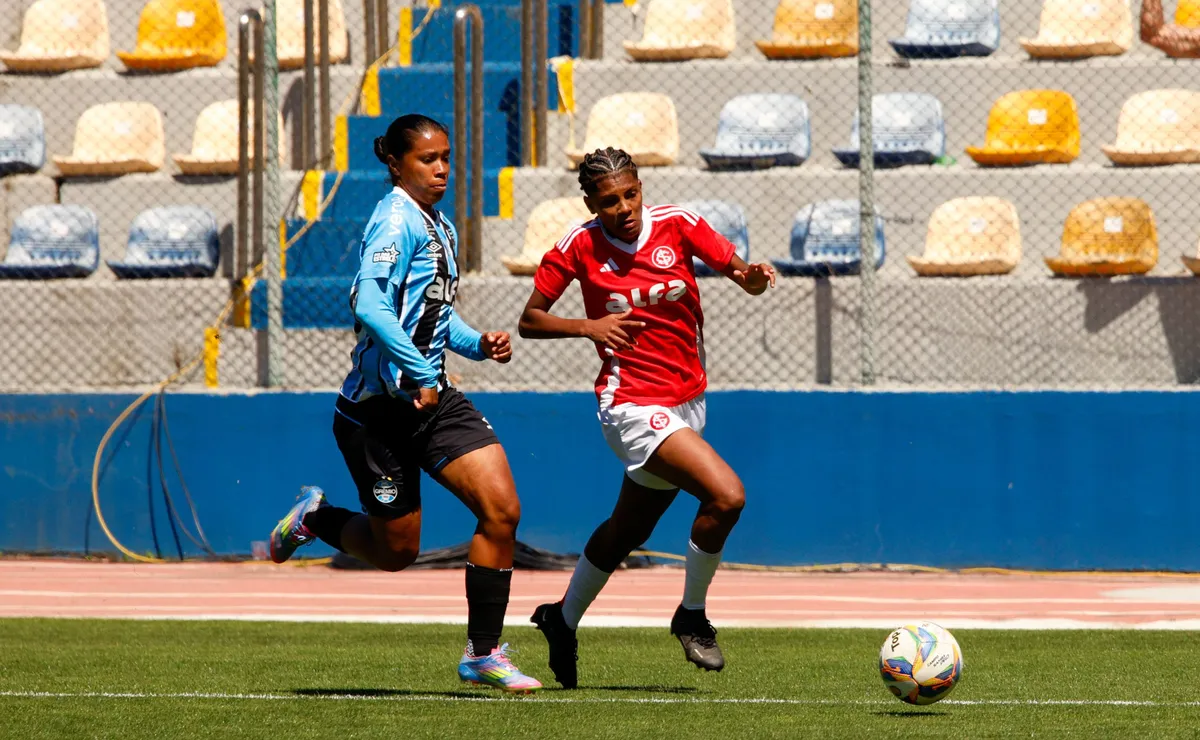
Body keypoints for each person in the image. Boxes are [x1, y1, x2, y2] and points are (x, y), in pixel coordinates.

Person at [267, 114, 541, 694]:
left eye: (446, 156)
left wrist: (477, 343)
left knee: (502, 510)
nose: (441, 168)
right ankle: (315, 519)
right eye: (427, 159)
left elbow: (434, 317)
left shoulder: (437, 223)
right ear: (396, 163)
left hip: (433, 399)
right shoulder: (394, 220)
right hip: (378, 414)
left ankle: (484, 653)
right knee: (397, 553)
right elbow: (370, 304)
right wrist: (419, 371)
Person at [518, 147, 776, 688]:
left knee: (625, 531)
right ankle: (692, 616)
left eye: (630, 194)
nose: (624, 208)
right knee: (726, 495)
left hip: (686, 401)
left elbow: (740, 273)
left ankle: (560, 620)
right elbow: (530, 320)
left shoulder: (679, 225)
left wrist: (753, 278)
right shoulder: (578, 245)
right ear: (591, 202)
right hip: (630, 404)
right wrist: (588, 327)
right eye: (609, 200)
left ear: (642, 188)